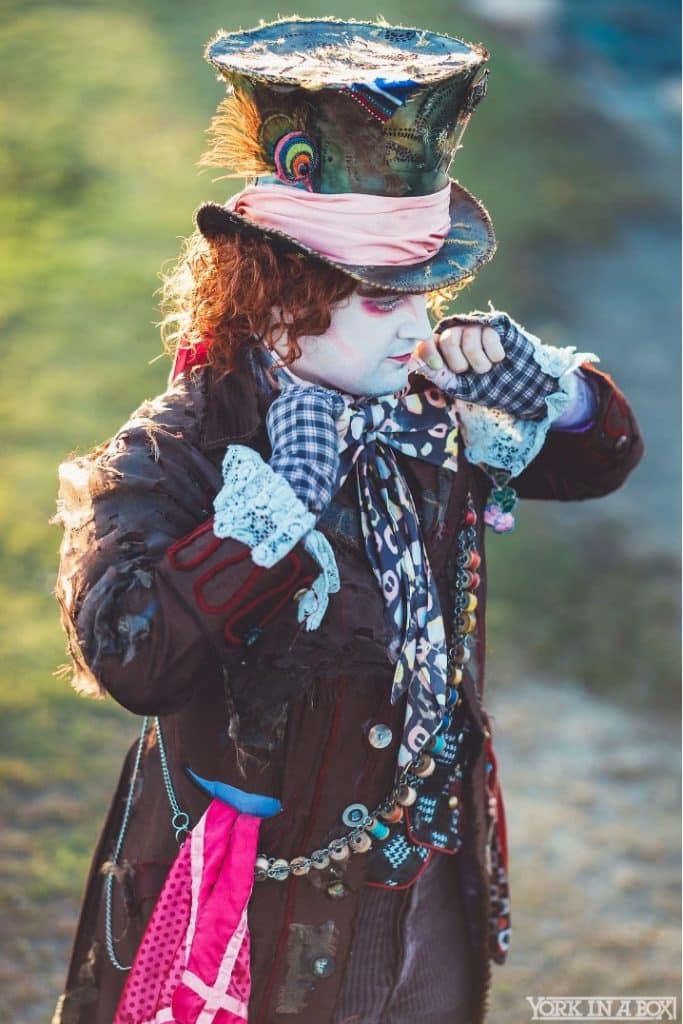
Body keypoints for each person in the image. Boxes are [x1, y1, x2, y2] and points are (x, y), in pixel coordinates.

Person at [51, 18, 644, 1024]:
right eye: (382, 301)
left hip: (422, 875)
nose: (418, 328)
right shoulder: (180, 446)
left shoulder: (427, 405)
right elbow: (130, 656)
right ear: (281, 301)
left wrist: (548, 389)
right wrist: (270, 511)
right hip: (248, 894)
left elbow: (596, 465)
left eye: (427, 294)